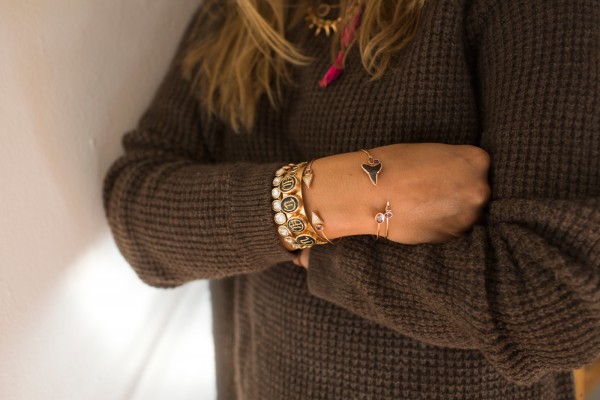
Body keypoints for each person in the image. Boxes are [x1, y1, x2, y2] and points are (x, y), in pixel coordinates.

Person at [101, 0, 600, 398]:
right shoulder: (243, 13)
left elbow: (564, 305)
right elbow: (138, 211)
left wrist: (321, 253)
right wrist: (345, 195)